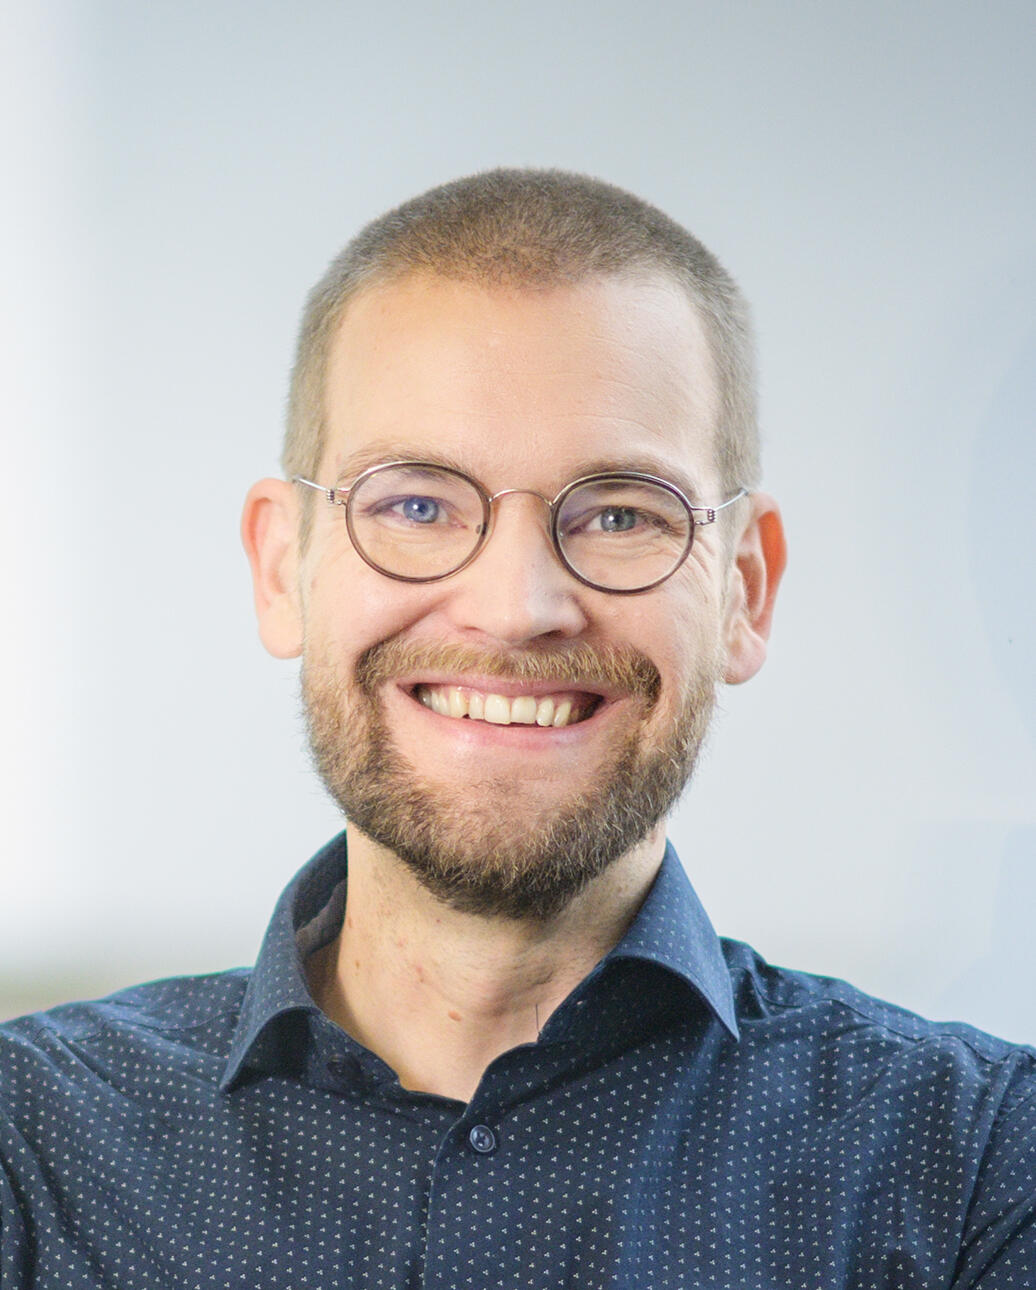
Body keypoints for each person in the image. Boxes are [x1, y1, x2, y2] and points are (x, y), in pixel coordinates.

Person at [1, 169, 1033, 1288]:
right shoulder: (30, 1149)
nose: (516, 607)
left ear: (744, 590)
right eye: (415, 504)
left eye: (622, 514)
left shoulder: (977, 1168)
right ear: (279, 567)